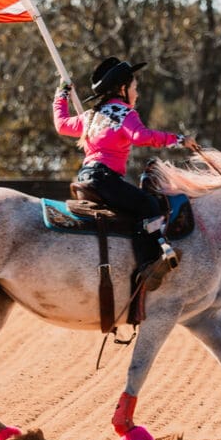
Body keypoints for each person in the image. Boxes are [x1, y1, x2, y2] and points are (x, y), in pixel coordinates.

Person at [53, 56, 197, 292]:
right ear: (122, 89)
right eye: (134, 88)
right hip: (105, 178)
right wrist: (178, 139)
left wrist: (62, 94)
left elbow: (60, 124)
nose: (136, 93)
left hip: (86, 176)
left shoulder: (90, 116)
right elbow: (141, 137)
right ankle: (148, 264)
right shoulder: (124, 114)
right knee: (148, 204)